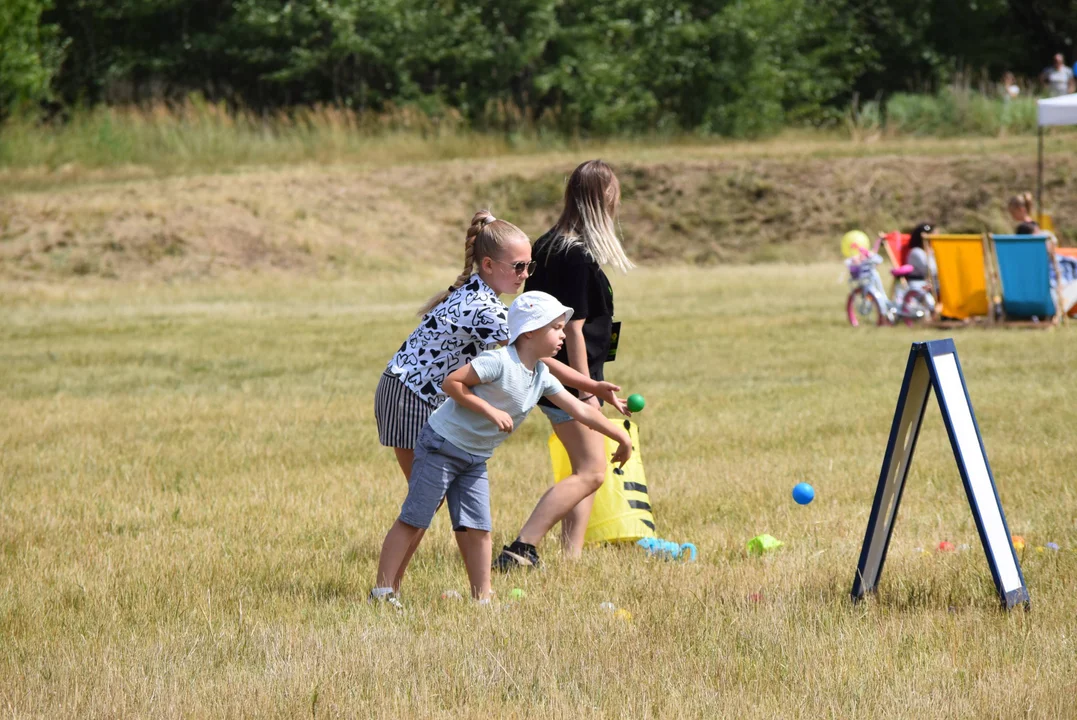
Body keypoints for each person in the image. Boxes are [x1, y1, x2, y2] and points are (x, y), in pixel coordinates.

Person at [374, 210, 628, 589]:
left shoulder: (484, 293)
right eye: (519, 266)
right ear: (489, 264)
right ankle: (388, 589)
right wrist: (589, 386)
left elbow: (538, 366)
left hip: (419, 394)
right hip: (410, 396)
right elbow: (538, 359)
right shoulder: (488, 310)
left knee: (437, 501)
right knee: (425, 503)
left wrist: (590, 387)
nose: (526, 275)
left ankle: (476, 591)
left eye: (530, 266)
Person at [494, 159, 634, 571]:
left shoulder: (551, 244)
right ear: (603, 198)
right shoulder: (573, 254)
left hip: (560, 373)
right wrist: (586, 390)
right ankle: (522, 548)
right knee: (592, 471)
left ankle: (570, 558)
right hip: (568, 378)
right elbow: (572, 327)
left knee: (585, 468)